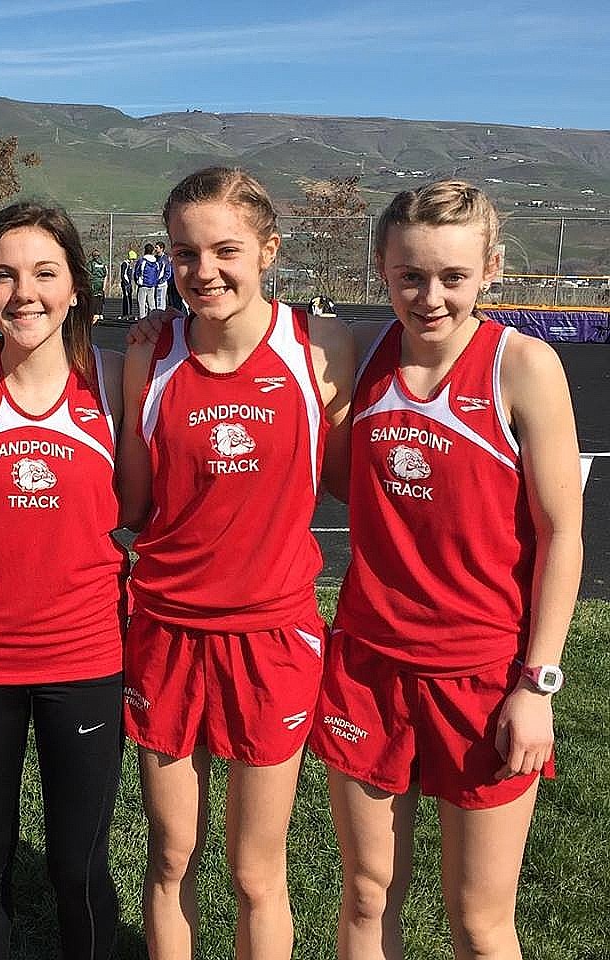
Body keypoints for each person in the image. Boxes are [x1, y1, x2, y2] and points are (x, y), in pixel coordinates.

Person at [307, 180, 582, 960]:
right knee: (366, 895)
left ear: (490, 269)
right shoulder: (356, 353)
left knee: (479, 919)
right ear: (381, 269)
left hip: (484, 676)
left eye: (453, 277)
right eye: (411, 276)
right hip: (368, 665)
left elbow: (564, 534)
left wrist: (538, 685)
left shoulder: (521, 366)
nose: (431, 297)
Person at [118, 166, 353, 959]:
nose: (204, 272)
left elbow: (368, 478)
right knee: (171, 856)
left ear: (268, 251)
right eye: (185, 254)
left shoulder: (320, 348)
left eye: (225, 251)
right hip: (166, 632)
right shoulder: (149, 358)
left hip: (271, 637)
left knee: (257, 872)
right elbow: (132, 507)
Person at [0, 201, 126, 960]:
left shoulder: (114, 381)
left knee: (78, 866)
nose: (24, 293)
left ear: (76, 284)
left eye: (45, 272)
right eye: (4, 275)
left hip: (84, 660)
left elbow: (138, 500)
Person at [133, 242, 162, 320]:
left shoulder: (142, 261)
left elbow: (136, 272)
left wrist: (137, 281)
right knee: (151, 303)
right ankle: (154, 320)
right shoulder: (156, 262)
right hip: (152, 285)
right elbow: (158, 273)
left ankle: (142, 320)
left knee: (141, 304)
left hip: (142, 285)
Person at [88, 247, 108, 321]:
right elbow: (105, 273)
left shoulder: (91, 263)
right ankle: (100, 313)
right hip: (101, 282)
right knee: (100, 298)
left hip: (93, 282)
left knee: (94, 298)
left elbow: (88, 273)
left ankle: (94, 313)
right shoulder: (103, 264)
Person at [153, 241, 171, 310]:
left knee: (160, 301)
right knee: (155, 301)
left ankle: (161, 317)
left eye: (157, 247)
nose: (155, 249)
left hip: (161, 285)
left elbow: (167, 272)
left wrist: (161, 281)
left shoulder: (165, 259)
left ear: (161, 248)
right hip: (155, 284)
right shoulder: (155, 258)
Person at [120, 249, 137, 321]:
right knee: (126, 298)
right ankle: (125, 313)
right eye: (132, 259)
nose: (133, 261)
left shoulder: (129, 265)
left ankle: (129, 313)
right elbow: (123, 274)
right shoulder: (125, 264)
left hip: (129, 284)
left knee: (129, 299)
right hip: (126, 284)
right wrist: (127, 283)